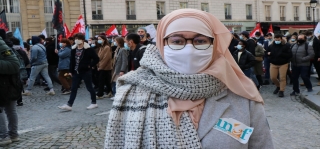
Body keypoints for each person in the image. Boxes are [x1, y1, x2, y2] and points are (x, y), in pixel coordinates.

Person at [105, 9, 274, 148]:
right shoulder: (130, 93)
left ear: (214, 45)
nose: (189, 49)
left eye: (200, 40)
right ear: (161, 43)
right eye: (177, 41)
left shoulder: (242, 94)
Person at [58, 33, 99, 111]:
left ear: (82, 40)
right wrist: (70, 71)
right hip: (76, 72)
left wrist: (90, 65)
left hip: (86, 71)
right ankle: (69, 105)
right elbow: (72, 61)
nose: (77, 40)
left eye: (78, 39)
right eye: (75, 39)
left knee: (89, 87)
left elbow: (96, 59)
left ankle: (94, 103)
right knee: (73, 88)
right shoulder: (73, 49)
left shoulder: (89, 49)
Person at [0, 32, 21, 147]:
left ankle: (4, 136)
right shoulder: (6, 44)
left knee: (6, 109)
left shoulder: (2, 45)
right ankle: (13, 134)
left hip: (5, 83)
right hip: (9, 83)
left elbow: (14, 64)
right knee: (10, 109)